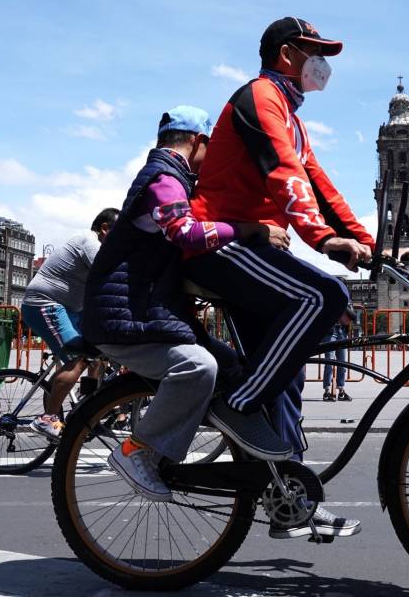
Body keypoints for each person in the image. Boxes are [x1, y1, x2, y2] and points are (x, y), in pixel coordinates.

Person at [185, 17, 409, 539]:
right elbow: (286, 173)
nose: (323, 63)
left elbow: (319, 184)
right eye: (316, 52)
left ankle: (291, 497)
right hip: (221, 242)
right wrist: (321, 238)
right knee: (324, 293)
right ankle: (236, 404)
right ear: (287, 54)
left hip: (250, 248)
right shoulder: (260, 97)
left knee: (284, 378)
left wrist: (371, 245)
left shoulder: (290, 113)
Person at [82, 105, 287, 503]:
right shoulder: (163, 179)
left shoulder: (172, 177)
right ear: (200, 142)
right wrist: (251, 230)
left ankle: (275, 486)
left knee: (230, 367)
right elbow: (187, 234)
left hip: (146, 313)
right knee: (198, 367)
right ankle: (137, 451)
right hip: (124, 320)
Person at [21, 208, 118, 440]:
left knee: (98, 354)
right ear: (105, 229)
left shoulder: (100, 245)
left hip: (70, 309)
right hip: (44, 304)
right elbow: (110, 275)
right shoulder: (89, 241)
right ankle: (48, 419)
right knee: (76, 359)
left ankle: (87, 408)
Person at [322, 305, 355, 402]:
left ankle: (341, 391)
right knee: (329, 363)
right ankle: (327, 391)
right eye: (348, 318)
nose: (349, 321)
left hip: (342, 332)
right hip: (330, 332)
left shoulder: (346, 302)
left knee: (342, 363)